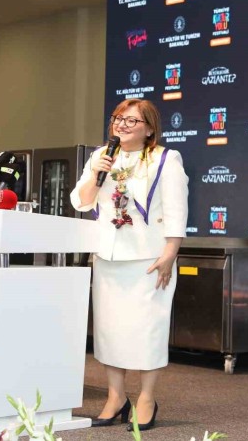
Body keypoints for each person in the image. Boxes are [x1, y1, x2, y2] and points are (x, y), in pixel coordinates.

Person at [70, 99, 189, 432]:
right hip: (108, 256)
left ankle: (146, 398)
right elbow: (81, 202)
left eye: (131, 120)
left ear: (149, 128)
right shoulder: (100, 156)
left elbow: (176, 210)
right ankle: (116, 397)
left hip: (149, 259)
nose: (121, 124)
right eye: (118, 118)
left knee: (147, 330)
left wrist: (170, 253)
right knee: (110, 331)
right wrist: (96, 174)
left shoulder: (165, 159)